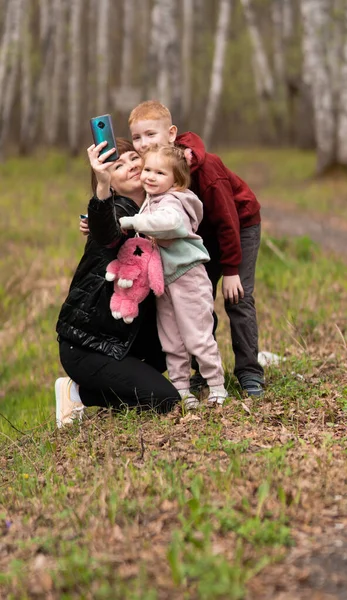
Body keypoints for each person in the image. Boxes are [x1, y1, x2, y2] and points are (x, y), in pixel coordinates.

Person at [128, 101, 265, 397]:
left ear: (171, 133)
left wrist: (230, 271)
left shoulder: (204, 167)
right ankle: (204, 373)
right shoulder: (150, 167)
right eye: (137, 137)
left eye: (151, 135)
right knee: (198, 296)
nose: (143, 144)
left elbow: (228, 220)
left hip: (237, 226)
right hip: (195, 237)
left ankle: (249, 372)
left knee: (237, 297)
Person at [55, 137, 180, 427]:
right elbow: (108, 231)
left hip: (126, 338)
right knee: (166, 401)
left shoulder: (157, 211)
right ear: (110, 183)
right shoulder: (118, 211)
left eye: (135, 158)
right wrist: (100, 191)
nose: (132, 166)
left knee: (197, 322)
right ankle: (78, 393)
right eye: (119, 166)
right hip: (87, 345)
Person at [119, 144, 228, 409]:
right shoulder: (150, 201)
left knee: (197, 335)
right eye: (147, 170)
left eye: (159, 173)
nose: (150, 176)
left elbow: (170, 224)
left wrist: (132, 221)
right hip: (164, 281)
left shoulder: (174, 201)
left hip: (188, 275)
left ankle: (216, 386)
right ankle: (182, 390)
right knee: (171, 339)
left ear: (175, 181)